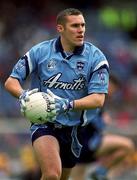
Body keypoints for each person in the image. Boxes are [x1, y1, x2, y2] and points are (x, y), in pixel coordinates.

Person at [4, 8, 109, 180]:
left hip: (75, 129)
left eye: (82, 25)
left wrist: (68, 104)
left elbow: (98, 99)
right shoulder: (40, 51)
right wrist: (23, 95)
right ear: (60, 28)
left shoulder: (96, 58)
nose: (81, 29)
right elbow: (11, 81)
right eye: (75, 25)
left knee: (62, 178)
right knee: (52, 174)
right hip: (45, 123)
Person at [70, 74, 135, 180]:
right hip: (84, 144)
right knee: (127, 145)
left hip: (89, 144)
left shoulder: (102, 99)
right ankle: (99, 173)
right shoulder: (92, 95)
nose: (113, 91)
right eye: (112, 86)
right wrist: (102, 120)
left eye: (116, 89)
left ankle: (99, 173)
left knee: (127, 146)